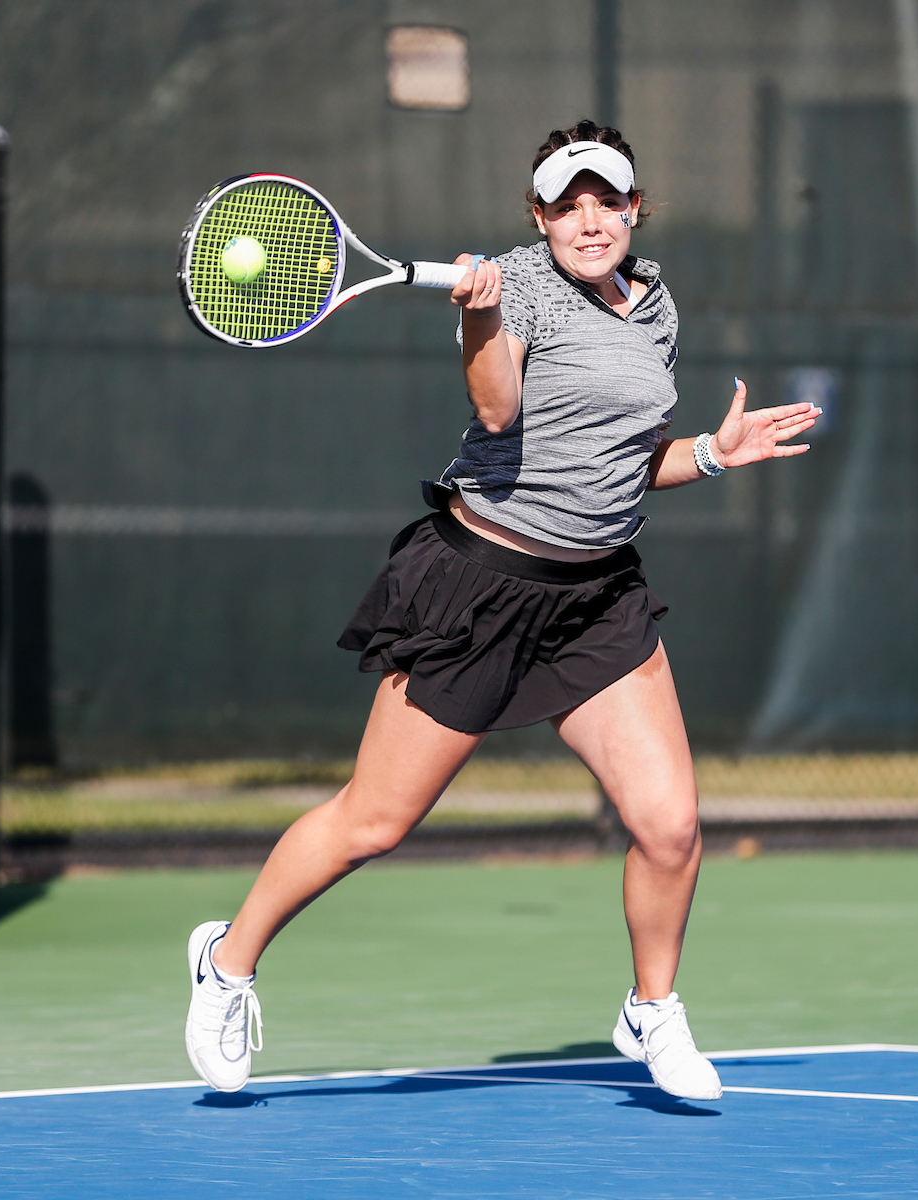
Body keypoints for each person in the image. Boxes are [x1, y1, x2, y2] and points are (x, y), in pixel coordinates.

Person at [184, 120, 820, 1100]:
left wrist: (710, 454)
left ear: (635, 207)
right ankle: (227, 961)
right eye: (565, 203)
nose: (588, 219)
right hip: (477, 588)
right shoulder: (514, 285)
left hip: (596, 598)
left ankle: (650, 1010)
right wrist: (480, 318)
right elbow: (495, 412)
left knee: (669, 827)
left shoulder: (653, 306)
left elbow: (622, 459)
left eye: (605, 198)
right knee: (374, 823)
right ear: (537, 216)